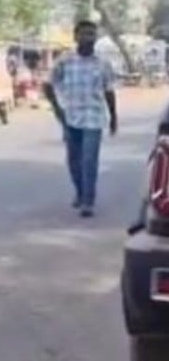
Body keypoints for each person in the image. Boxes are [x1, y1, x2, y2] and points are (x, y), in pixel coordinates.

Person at [44, 19, 118, 218]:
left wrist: (114, 117)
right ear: (76, 37)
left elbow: (109, 91)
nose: (88, 38)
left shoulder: (103, 63)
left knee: (89, 159)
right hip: (70, 116)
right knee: (73, 160)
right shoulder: (65, 61)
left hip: (94, 117)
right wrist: (57, 109)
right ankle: (79, 191)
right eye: (84, 34)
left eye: (92, 34)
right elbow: (48, 84)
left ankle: (88, 201)